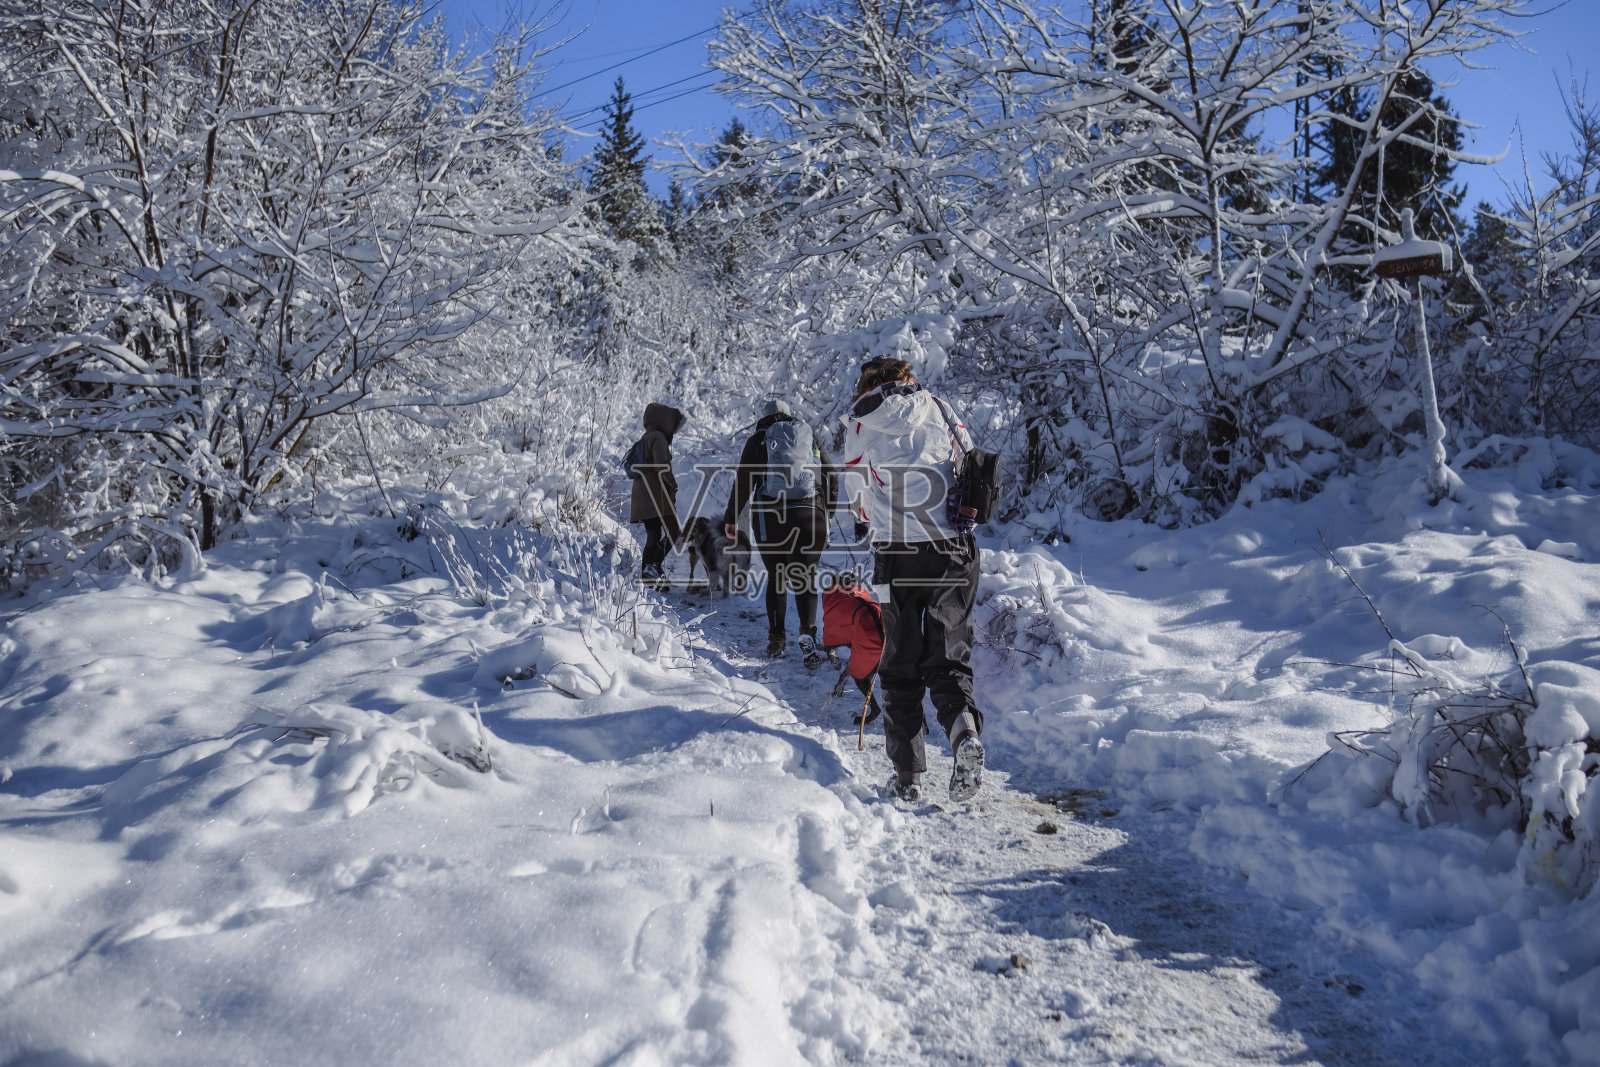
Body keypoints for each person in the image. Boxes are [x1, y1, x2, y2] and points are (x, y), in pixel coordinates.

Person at [843, 357, 984, 802]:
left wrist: (878, 516)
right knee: (949, 653)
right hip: (954, 552)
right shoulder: (940, 408)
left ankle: (908, 776)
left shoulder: (861, 423)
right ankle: (964, 737)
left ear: (867, 384)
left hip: (896, 554)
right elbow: (970, 460)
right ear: (907, 379)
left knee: (900, 661)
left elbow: (858, 498)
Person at [723, 398, 836, 662]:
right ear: (788, 416)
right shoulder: (809, 438)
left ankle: (777, 641)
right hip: (810, 514)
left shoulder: (757, 442)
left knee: (777, 576)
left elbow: (743, 483)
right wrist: (828, 512)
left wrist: (732, 518)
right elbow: (831, 475)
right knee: (805, 577)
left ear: (764, 419)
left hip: (769, 517)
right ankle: (808, 634)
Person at [629, 402, 685, 588]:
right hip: (655, 497)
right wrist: (673, 485)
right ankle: (653, 567)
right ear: (665, 422)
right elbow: (662, 467)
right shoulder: (658, 438)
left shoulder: (646, 437)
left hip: (642, 497)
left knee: (653, 535)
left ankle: (647, 577)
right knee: (675, 532)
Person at [821, 574, 884, 726]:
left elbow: (830, 640)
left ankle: (874, 710)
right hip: (885, 631)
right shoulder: (858, 599)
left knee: (860, 675)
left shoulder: (838, 605)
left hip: (871, 638)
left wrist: (832, 654)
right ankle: (921, 722)